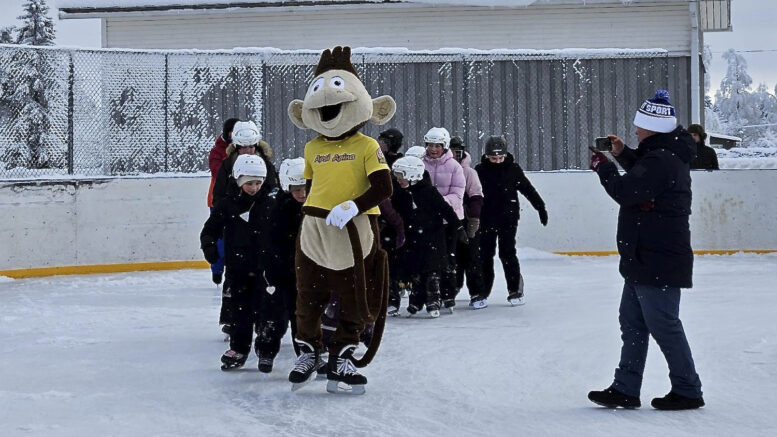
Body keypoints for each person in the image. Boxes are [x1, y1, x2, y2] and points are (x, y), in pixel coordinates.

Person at [285, 46, 396, 394]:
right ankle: (309, 351)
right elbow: (310, 187)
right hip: (315, 229)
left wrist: (354, 206)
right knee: (308, 294)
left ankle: (343, 356)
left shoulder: (367, 145)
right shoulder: (312, 148)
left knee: (355, 296)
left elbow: (384, 187)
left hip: (355, 230)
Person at [587, 89, 704, 411]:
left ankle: (688, 389)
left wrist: (604, 167)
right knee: (633, 324)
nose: (636, 131)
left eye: (639, 126)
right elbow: (644, 175)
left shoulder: (662, 159)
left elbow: (628, 190)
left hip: (658, 258)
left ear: (652, 127)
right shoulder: (662, 153)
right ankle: (625, 388)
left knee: (664, 325)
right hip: (644, 256)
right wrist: (623, 153)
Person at [200, 154, 283, 373]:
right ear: (238, 180)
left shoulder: (271, 204)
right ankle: (239, 348)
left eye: (258, 183)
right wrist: (209, 247)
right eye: (249, 183)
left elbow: (284, 232)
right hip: (237, 268)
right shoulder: (228, 205)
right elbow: (210, 230)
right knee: (240, 312)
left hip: (265, 269)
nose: (254, 188)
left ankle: (266, 350)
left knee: (267, 312)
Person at [474, 136, 547, 306]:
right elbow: (471, 194)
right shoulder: (479, 170)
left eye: (500, 158)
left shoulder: (513, 169)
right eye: (494, 158)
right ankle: (483, 291)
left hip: (508, 218)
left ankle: (515, 289)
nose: (498, 161)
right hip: (486, 219)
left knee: (507, 253)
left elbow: (528, 189)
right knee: (485, 254)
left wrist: (540, 207)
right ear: (487, 156)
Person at [391, 156, 459, 318]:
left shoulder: (428, 192)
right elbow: (394, 212)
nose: (398, 179)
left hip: (432, 237)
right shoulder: (400, 194)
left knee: (432, 272)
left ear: (412, 175)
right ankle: (416, 300)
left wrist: (458, 226)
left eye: (401, 176)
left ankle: (434, 300)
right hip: (412, 238)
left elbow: (445, 209)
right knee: (416, 272)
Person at [421, 127, 466, 313]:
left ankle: (448, 294)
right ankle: (432, 297)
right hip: (427, 221)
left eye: (437, 146)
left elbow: (458, 194)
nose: (433, 149)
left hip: (449, 221)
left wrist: (439, 203)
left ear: (445, 146)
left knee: (448, 258)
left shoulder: (455, 167)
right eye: (430, 145)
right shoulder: (420, 164)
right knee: (430, 260)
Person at [269, 157, 308, 356]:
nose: (302, 194)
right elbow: (274, 244)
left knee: (310, 313)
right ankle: (301, 352)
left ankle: (311, 351)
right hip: (289, 272)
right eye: (296, 189)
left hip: (312, 270)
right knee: (291, 312)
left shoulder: (316, 207)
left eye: (305, 188)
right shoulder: (279, 210)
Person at [448, 136, 487, 308]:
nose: (455, 155)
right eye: (451, 151)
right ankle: (449, 291)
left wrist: (474, 219)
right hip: (446, 221)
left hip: (466, 220)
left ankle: (477, 293)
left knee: (471, 256)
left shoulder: (469, 173)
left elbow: (476, 196)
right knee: (449, 257)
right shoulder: (440, 170)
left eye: (458, 152)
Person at [212, 120, 279, 209]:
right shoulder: (228, 165)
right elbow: (218, 195)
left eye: (251, 147)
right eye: (243, 147)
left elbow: (274, 189)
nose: (247, 151)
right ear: (237, 147)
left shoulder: (266, 165)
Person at [206, 117, 239, 287]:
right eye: (232, 132)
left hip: (239, 200)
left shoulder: (246, 149)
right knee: (220, 238)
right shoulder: (217, 151)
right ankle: (217, 269)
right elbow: (218, 172)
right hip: (218, 201)